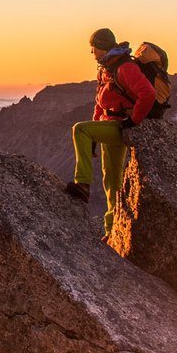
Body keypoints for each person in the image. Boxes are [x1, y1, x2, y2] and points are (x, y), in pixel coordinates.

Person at [68, 28, 159, 233]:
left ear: (101, 46)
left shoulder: (124, 67)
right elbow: (100, 104)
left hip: (121, 125)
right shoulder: (105, 69)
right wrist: (96, 129)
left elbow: (148, 93)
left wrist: (133, 121)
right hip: (111, 123)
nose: (92, 53)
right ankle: (112, 230)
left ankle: (82, 184)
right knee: (111, 179)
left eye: (93, 48)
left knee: (79, 129)